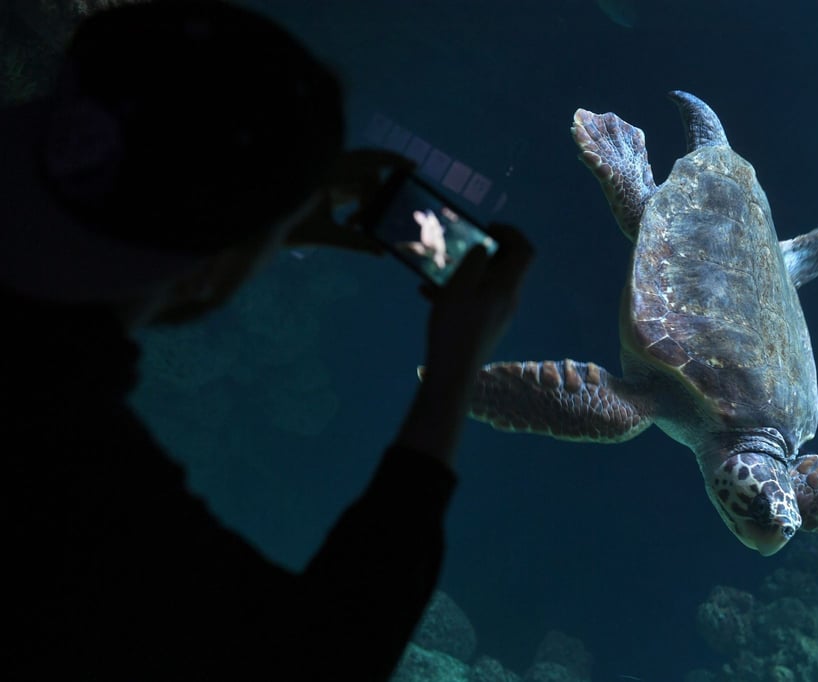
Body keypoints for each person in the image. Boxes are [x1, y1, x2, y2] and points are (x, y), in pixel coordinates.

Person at [0, 1, 533, 679]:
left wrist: (250, 231)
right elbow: (324, 654)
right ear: (210, 272)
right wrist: (458, 368)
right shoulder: (63, 469)